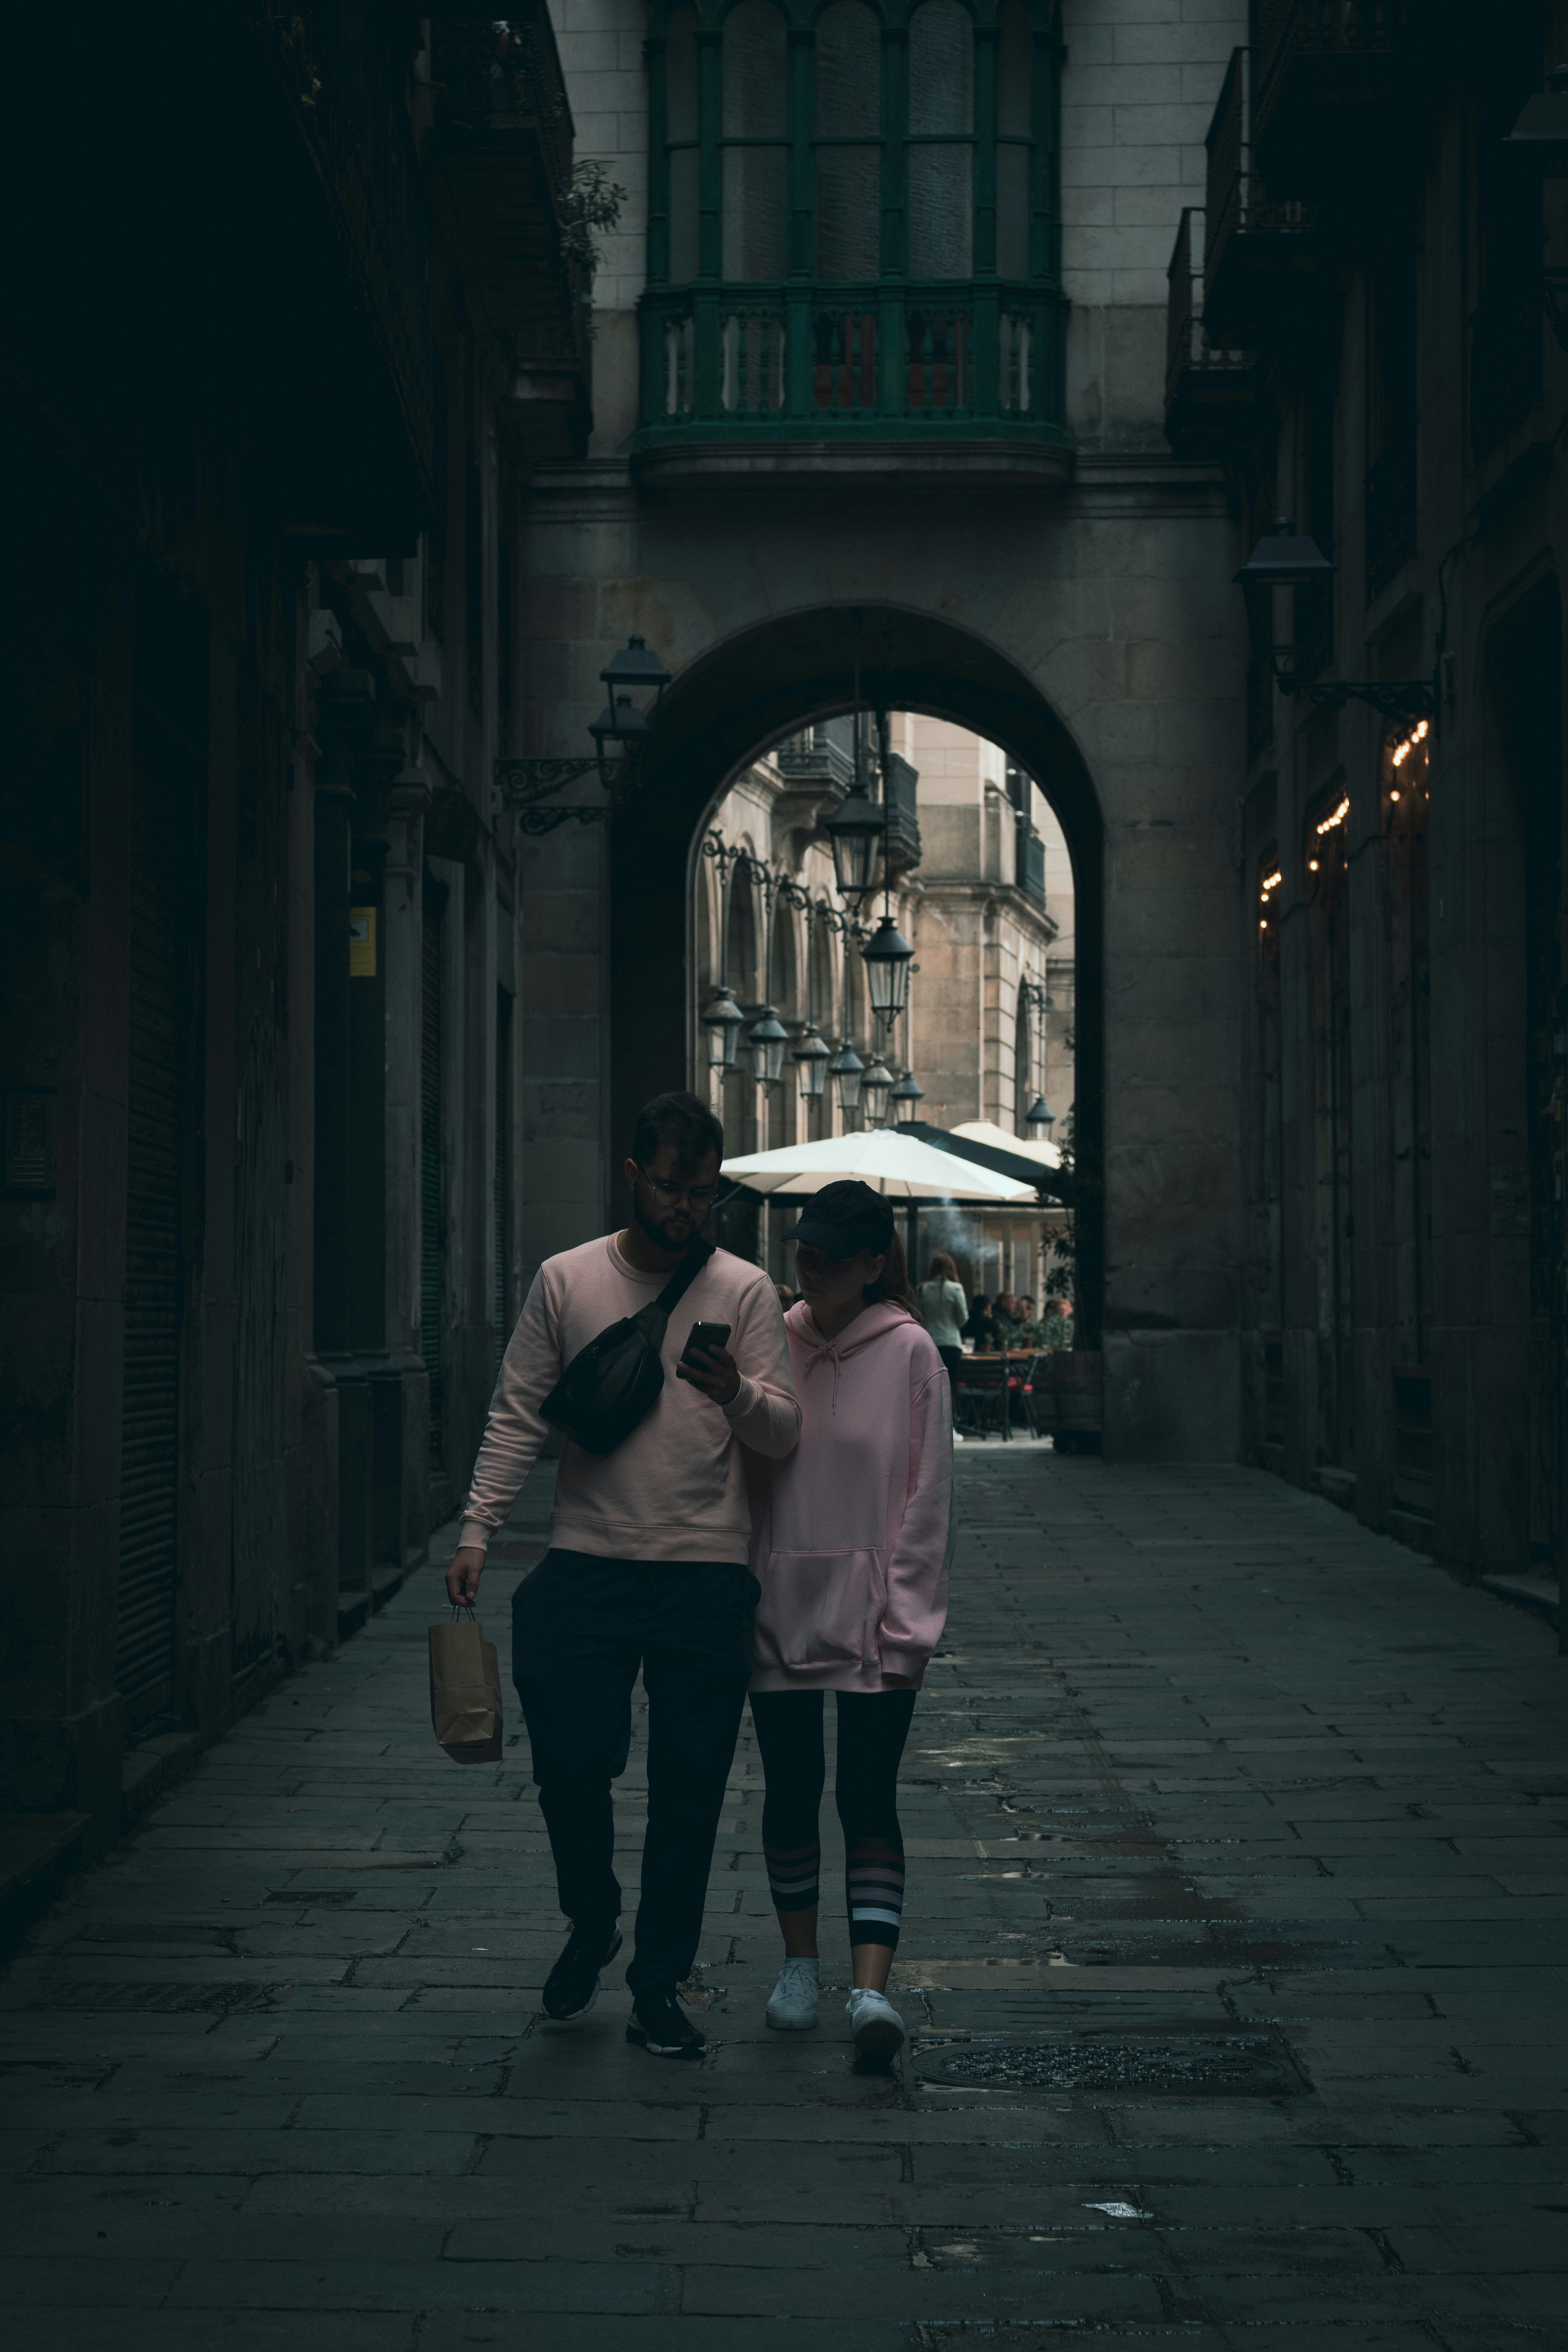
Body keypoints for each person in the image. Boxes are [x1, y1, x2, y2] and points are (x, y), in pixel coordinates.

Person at [446, 1090, 800, 2062]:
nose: (687, 1204)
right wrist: (477, 1528)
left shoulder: (744, 1287)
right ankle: (591, 1907)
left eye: (702, 1188)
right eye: (670, 1184)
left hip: (702, 1573)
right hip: (586, 1565)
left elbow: (784, 1430)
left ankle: (657, 1984)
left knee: (688, 1790)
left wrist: (738, 1393)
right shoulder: (566, 1280)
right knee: (570, 1764)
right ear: (632, 1174)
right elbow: (518, 1410)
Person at [745, 1180, 952, 2068]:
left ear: (873, 1264)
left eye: (833, 1253)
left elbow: (927, 1499)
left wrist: (907, 1620)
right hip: (776, 1610)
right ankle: (800, 1966)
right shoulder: (768, 1340)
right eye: (804, 1248)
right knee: (790, 1793)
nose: (813, 1263)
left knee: (866, 1796)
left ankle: (872, 1988)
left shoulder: (911, 1354)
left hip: (877, 1620)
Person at [917, 1251, 968, 1394]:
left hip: (930, 1343)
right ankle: (951, 1416)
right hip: (952, 1344)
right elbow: (963, 1319)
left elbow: (919, 1317)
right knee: (951, 1389)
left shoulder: (923, 1289)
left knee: (932, 1390)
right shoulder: (956, 1289)